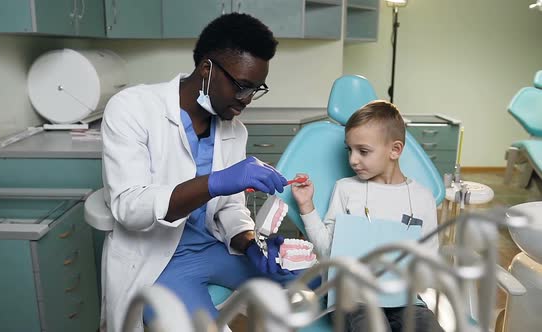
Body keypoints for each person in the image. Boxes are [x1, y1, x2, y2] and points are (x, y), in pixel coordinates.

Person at [101, 13, 296, 332]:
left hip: (211, 247)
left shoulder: (234, 129)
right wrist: (214, 183)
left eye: (256, 89)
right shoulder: (132, 109)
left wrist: (251, 245)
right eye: (242, 86)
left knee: (302, 288)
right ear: (207, 70)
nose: (246, 100)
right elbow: (129, 207)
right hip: (159, 261)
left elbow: (232, 208)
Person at [291, 100, 443, 332]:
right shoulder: (346, 189)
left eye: (363, 151)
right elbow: (326, 251)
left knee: (428, 326)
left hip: (404, 299)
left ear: (395, 150)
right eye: (349, 150)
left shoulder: (423, 199)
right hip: (353, 297)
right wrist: (306, 207)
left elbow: (428, 263)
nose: (353, 159)